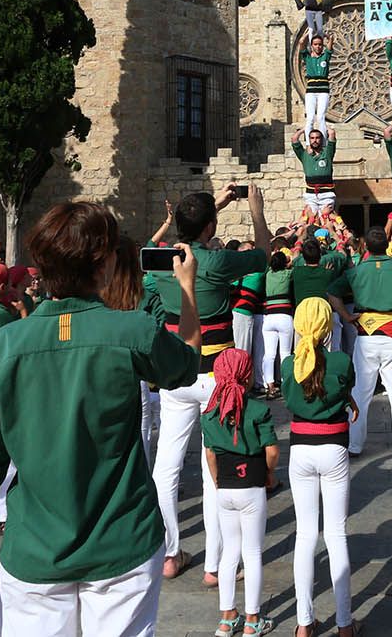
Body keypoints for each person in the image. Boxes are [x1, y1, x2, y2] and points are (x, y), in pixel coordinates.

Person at [0, 201, 202, 637]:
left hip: (36, 543)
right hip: (121, 538)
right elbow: (186, 363)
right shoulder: (134, 331)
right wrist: (187, 288)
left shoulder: (4, 346)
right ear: (103, 262)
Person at [149, 187, 271, 582]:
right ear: (210, 227)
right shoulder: (215, 261)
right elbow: (265, 254)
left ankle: (170, 553)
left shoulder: (158, 260)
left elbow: (154, 245)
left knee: (166, 465)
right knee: (212, 465)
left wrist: (200, 213)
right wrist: (255, 210)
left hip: (176, 373)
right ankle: (215, 564)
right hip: (217, 373)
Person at [281, 298, 358, 637]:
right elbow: (344, 386)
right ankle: (344, 623)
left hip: (301, 449)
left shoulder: (288, 365)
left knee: (305, 535)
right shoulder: (341, 361)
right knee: (336, 533)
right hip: (334, 448)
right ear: (328, 327)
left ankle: (303, 622)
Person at [201, 348, 279, 637]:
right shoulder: (258, 409)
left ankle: (226, 617)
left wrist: (218, 480)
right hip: (253, 485)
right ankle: (252, 619)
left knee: (229, 551)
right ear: (247, 378)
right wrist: (269, 473)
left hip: (226, 487)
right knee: (253, 551)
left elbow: (210, 455)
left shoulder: (210, 415)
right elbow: (271, 450)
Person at [334, 226, 392, 457]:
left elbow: (332, 292)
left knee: (361, 392)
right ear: (388, 245)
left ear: (367, 247)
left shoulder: (357, 272)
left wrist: (346, 315)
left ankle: (354, 445)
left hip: (365, 336)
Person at [257, 251, 295, 397]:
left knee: (269, 354)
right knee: (285, 353)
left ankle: (270, 386)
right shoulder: (288, 274)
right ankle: (286, 384)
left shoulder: (268, 274)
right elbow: (296, 261)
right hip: (284, 316)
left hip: (269, 317)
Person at [292, 127, 337, 218]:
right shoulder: (304, 155)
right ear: (309, 140)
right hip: (311, 194)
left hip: (326, 194)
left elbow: (332, 133)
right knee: (311, 218)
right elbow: (294, 139)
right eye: (312, 138)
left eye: (317, 138)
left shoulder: (327, 153)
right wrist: (305, 128)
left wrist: (322, 126)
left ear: (321, 139)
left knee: (326, 217)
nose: (315, 140)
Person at [301, 35, 333, 137]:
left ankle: (323, 142)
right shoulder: (307, 57)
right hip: (311, 91)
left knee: (320, 117)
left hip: (323, 91)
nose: (318, 46)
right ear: (311, 46)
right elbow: (301, 42)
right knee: (310, 118)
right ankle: (308, 143)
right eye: (315, 44)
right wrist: (309, 33)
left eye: (320, 44)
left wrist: (328, 37)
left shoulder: (325, 56)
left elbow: (330, 44)